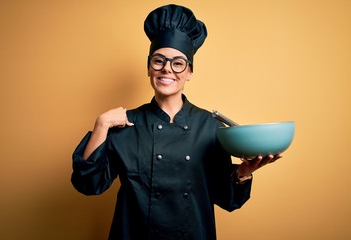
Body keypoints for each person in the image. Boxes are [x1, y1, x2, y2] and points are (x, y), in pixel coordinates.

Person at [71, 4, 281, 240]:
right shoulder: (125, 124)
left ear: (189, 71)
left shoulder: (211, 127)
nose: (167, 69)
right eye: (158, 61)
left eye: (178, 63)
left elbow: (227, 199)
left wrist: (243, 172)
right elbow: (88, 184)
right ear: (149, 67)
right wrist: (101, 124)